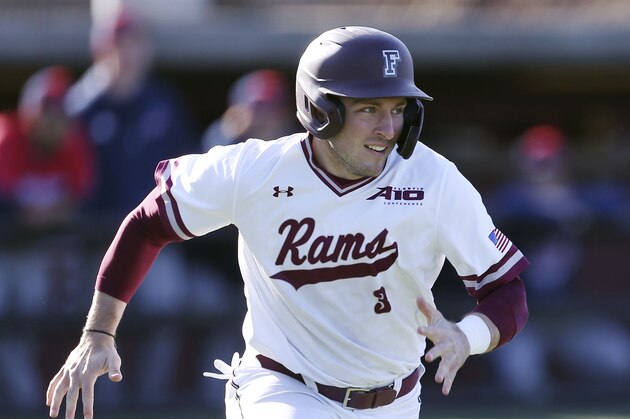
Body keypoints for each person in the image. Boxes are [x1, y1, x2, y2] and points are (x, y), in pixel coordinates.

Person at [46, 26, 529, 419]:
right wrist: (98, 334)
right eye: (369, 110)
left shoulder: (434, 180)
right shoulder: (256, 170)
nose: (388, 128)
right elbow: (148, 224)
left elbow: (506, 289)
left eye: (398, 110)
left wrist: (469, 335)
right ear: (322, 111)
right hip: (281, 389)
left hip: (396, 400)